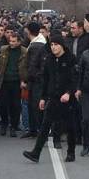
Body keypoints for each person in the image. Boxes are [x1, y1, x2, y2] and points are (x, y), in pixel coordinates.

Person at [23, 34, 78, 163]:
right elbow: (46, 80)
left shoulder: (71, 59)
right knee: (45, 126)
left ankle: (71, 152)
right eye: (52, 45)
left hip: (67, 99)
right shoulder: (49, 60)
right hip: (53, 98)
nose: (54, 47)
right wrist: (43, 98)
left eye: (56, 45)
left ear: (62, 45)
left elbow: (75, 79)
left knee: (70, 126)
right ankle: (36, 153)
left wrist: (69, 93)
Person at [0, 33, 28, 137]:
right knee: (3, 104)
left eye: (14, 41)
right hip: (4, 81)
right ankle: (4, 125)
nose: (11, 43)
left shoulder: (24, 51)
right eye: (10, 41)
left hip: (17, 82)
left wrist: (24, 80)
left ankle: (13, 126)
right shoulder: (4, 49)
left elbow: (26, 67)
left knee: (16, 106)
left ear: (19, 42)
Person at [24, 22, 47, 139]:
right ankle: (34, 129)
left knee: (36, 106)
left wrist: (27, 78)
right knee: (31, 105)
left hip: (37, 81)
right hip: (36, 80)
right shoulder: (37, 43)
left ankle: (39, 130)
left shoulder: (37, 45)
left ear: (28, 31)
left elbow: (32, 65)